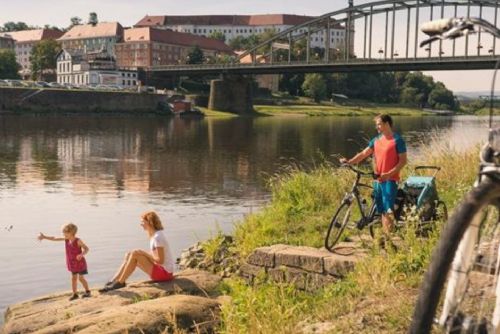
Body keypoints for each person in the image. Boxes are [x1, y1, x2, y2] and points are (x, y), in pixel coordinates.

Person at [340, 114, 407, 236]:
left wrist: (389, 174)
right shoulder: (376, 140)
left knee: (388, 210)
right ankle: (385, 236)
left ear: (387, 124)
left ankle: (388, 239)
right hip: (377, 179)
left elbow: (403, 161)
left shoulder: (397, 140)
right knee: (381, 209)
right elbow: (364, 153)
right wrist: (349, 162)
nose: (377, 127)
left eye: (379, 124)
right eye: (376, 125)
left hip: (390, 180)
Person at [99, 211, 175, 292]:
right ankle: (114, 280)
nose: (141, 224)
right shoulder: (154, 236)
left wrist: (143, 252)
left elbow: (160, 261)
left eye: (142, 221)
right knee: (130, 254)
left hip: (165, 274)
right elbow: (156, 258)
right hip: (161, 271)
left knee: (135, 254)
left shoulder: (158, 237)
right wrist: (142, 253)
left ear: (149, 222)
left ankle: (120, 282)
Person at [38, 223, 91, 301]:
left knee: (81, 278)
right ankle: (75, 294)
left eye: (65, 233)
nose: (63, 234)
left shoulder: (78, 241)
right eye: (63, 233)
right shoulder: (67, 239)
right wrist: (44, 237)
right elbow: (54, 238)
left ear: (71, 233)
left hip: (80, 263)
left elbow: (86, 249)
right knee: (73, 278)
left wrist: (81, 254)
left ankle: (88, 291)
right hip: (72, 263)